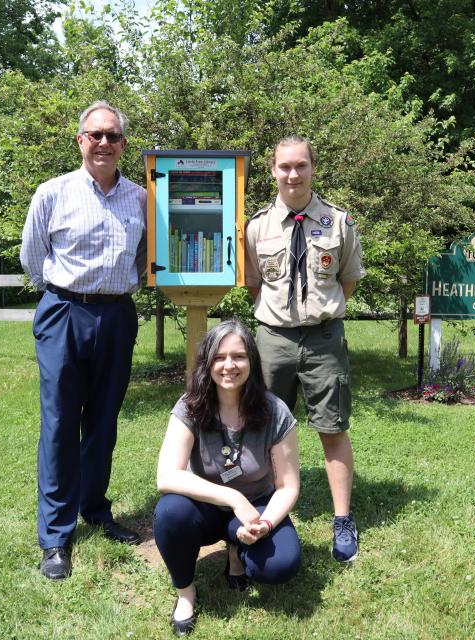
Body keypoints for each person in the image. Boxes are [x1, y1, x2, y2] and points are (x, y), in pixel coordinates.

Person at [20, 100, 147, 580]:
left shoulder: (140, 198)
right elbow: (33, 258)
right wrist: (66, 296)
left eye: (112, 136)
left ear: (123, 145)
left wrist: (112, 295)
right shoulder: (52, 194)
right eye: (95, 135)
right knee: (58, 424)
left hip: (116, 316)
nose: (103, 143)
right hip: (64, 313)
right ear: (80, 141)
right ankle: (55, 537)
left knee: (103, 421)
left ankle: (94, 509)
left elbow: (142, 260)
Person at [244, 135, 366, 563]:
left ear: (314, 167)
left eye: (301, 165)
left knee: (332, 427)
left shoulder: (338, 222)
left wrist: (322, 314)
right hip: (273, 338)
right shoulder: (257, 226)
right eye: (284, 167)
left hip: (323, 339)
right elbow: (253, 283)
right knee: (262, 428)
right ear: (273, 171)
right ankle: (268, 512)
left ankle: (343, 520)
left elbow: (347, 279)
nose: (293, 174)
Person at [154, 320, 301, 636]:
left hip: (256, 508)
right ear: (206, 363)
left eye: (239, 356)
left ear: (252, 361)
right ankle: (185, 594)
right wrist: (234, 498)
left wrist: (266, 523)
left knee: (280, 565)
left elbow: (288, 485)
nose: (229, 365)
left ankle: (237, 550)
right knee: (170, 513)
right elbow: (166, 476)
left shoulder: (275, 411)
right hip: (204, 505)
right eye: (219, 357)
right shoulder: (189, 407)